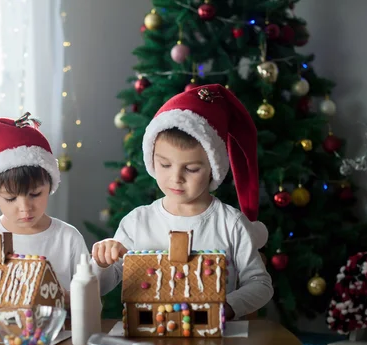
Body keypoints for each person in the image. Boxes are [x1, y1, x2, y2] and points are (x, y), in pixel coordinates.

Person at [92, 84, 273, 320]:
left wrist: (227, 306)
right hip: (148, 342)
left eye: (191, 168)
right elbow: (103, 285)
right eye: (165, 165)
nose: (175, 178)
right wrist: (103, 261)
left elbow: (260, 284)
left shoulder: (230, 223)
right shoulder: (138, 221)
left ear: (213, 169)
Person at [0, 113, 120, 298]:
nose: (25, 208)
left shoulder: (67, 238)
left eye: (35, 194)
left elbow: (90, 292)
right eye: (10, 198)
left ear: (51, 185)